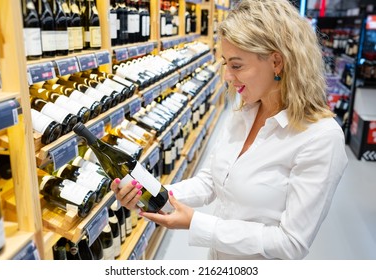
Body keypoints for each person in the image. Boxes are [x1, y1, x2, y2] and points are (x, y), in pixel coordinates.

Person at [111, 0, 348, 260]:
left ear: (276, 62)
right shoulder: (245, 111)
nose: (227, 76)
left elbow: (291, 242)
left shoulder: (320, 137)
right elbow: (211, 180)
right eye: (225, 63)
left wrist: (196, 223)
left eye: (237, 65)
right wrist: (150, 194)